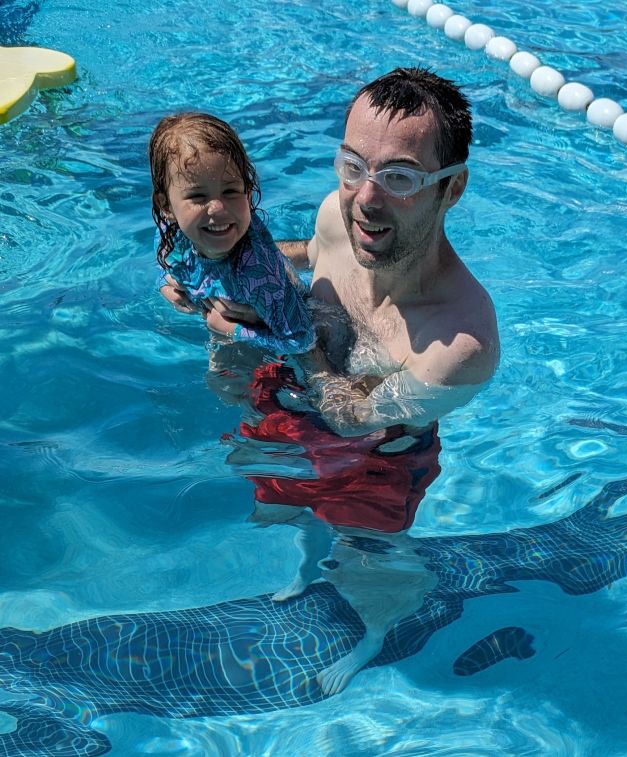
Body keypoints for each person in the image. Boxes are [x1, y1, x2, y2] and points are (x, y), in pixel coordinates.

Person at [239, 66, 500, 695]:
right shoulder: (338, 215)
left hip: (378, 460)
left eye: (400, 177)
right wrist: (232, 278)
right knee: (278, 511)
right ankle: (303, 567)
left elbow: (357, 420)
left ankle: (378, 634)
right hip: (298, 398)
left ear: (452, 189)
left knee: (369, 558)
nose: (366, 198)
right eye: (353, 165)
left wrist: (291, 330)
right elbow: (305, 250)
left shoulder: (459, 345)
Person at [149, 112, 314, 355]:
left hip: (289, 314)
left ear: (247, 193)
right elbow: (166, 269)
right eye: (197, 196)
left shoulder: (259, 274)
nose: (218, 207)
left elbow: (302, 340)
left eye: (230, 191)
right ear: (167, 208)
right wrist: (165, 285)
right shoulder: (171, 236)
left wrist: (231, 330)